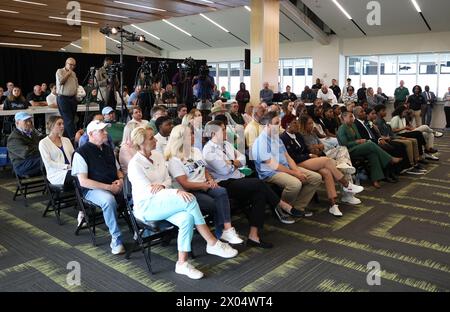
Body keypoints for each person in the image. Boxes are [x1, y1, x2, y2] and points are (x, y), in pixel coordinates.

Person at [128, 126, 237, 279]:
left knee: (187, 218)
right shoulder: (134, 164)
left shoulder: (158, 155)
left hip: (163, 199)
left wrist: (164, 186)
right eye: (151, 138)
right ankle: (211, 242)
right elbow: (147, 191)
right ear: (141, 143)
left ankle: (182, 264)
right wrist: (175, 191)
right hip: (147, 206)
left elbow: (166, 180)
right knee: (189, 199)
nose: (155, 140)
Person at [203, 120, 293, 244]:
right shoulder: (208, 150)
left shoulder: (226, 144)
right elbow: (224, 170)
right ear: (213, 133)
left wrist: (233, 162)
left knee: (260, 194)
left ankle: (253, 236)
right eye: (223, 130)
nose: (226, 132)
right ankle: (281, 204)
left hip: (238, 179)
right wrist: (234, 163)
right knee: (259, 183)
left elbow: (243, 159)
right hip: (225, 184)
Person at [166, 125, 243, 243]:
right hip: (189, 192)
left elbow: (204, 169)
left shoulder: (195, 151)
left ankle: (227, 230)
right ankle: (220, 232)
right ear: (181, 138)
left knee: (221, 191)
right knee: (213, 203)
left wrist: (210, 180)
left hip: (204, 185)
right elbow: (185, 184)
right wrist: (204, 185)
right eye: (190, 134)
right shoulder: (174, 159)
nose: (193, 136)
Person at [281, 119, 363, 216]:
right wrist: (310, 155)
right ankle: (346, 184)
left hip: (306, 160)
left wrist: (310, 153)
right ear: (287, 124)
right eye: (294, 123)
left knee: (326, 172)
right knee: (326, 160)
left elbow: (306, 150)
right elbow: (292, 157)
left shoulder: (298, 135)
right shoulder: (283, 137)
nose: (297, 125)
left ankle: (333, 205)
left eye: (297, 123)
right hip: (296, 163)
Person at [252, 111, 322, 218]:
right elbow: (273, 165)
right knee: (295, 184)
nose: (279, 125)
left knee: (316, 178)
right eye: (276, 123)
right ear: (267, 125)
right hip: (271, 173)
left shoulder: (277, 138)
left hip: (285, 168)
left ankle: (297, 207)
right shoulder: (260, 142)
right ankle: (281, 208)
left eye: (279, 122)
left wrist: (297, 171)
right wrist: (295, 173)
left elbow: (288, 158)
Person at [71, 120, 126, 255]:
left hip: (112, 184)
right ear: (91, 134)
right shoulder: (81, 153)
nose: (106, 132)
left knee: (136, 189)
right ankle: (116, 238)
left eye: (105, 130)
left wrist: (120, 179)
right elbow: (83, 182)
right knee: (108, 201)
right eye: (101, 131)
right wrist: (109, 187)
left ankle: (143, 228)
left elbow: (118, 170)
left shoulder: (108, 149)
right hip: (92, 190)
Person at [337, 111, 401, 188]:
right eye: (350, 117)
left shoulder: (353, 126)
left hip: (358, 147)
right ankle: (390, 159)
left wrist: (361, 141)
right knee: (370, 144)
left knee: (373, 154)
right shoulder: (342, 128)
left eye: (352, 116)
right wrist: (357, 142)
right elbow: (344, 143)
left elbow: (359, 137)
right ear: (344, 118)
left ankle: (375, 180)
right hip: (349, 150)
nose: (352, 118)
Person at [355, 107, 410, 179]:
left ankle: (397, 170)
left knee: (398, 145)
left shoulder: (367, 122)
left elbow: (375, 134)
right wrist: (378, 141)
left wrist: (380, 139)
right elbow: (364, 137)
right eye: (361, 112)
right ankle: (387, 174)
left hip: (376, 140)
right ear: (356, 114)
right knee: (388, 148)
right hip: (369, 143)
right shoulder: (356, 124)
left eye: (363, 111)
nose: (364, 113)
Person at [374, 104, 425, 175]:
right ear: (378, 112)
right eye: (383, 111)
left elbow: (390, 133)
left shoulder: (383, 120)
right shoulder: (377, 122)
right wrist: (397, 137)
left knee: (413, 140)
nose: (385, 112)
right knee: (407, 143)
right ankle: (409, 164)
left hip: (392, 137)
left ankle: (415, 162)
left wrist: (399, 137)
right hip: (388, 139)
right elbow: (382, 135)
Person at [7, 112, 44, 177]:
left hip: (33, 160)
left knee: (51, 158)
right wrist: (44, 149)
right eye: (26, 121)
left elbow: (42, 141)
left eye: (30, 120)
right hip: (22, 166)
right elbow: (26, 153)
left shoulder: (32, 133)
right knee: (47, 160)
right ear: (17, 123)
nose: (29, 123)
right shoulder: (13, 138)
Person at [56, 57, 79, 140]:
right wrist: (68, 74)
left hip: (72, 98)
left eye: (74, 65)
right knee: (68, 120)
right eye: (70, 64)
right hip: (63, 98)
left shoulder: (74, 73)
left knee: (71, 120)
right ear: (66, 63)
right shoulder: (60, 71)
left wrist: (77, 94)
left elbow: (76, 85)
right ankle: (75, 139)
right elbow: (61, 82)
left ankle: (66, 139)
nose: (72, 66)